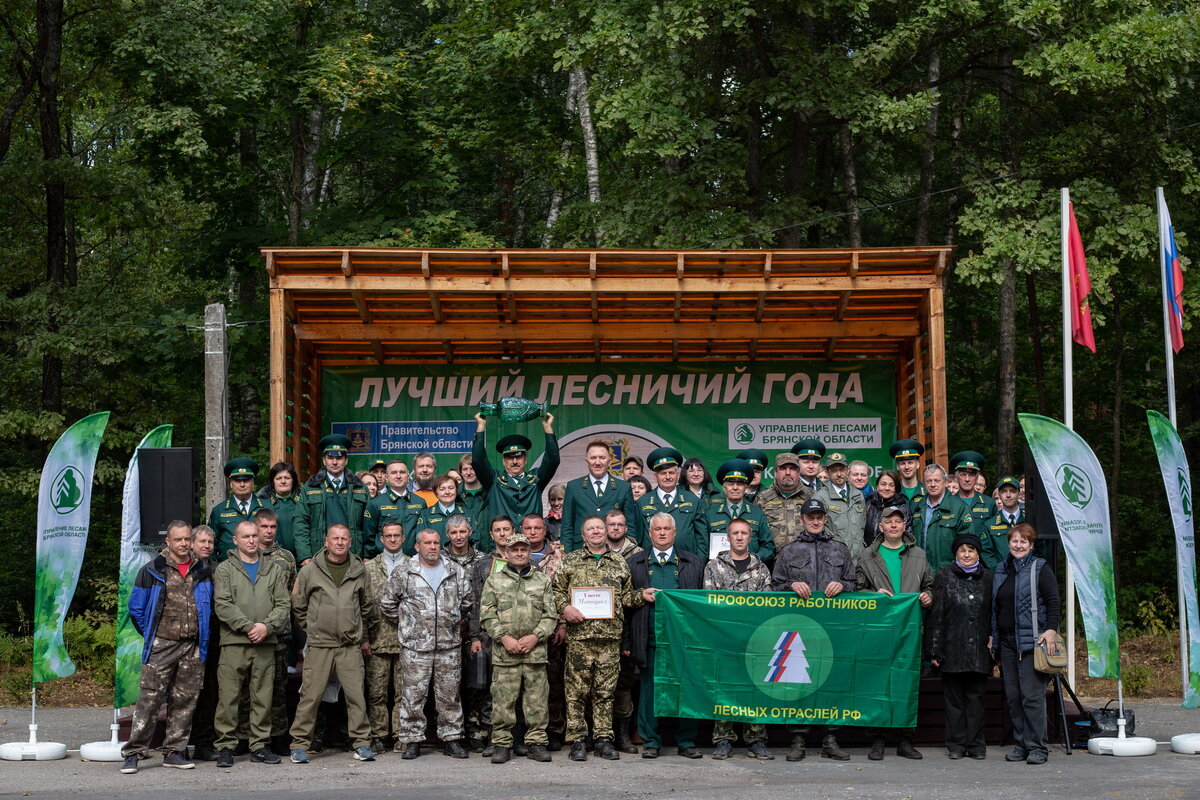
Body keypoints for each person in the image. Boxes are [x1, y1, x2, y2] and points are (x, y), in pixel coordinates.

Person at [552, 515, 653, 761]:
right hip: (579, 639)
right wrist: (565, 608)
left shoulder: (619, 562)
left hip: (609, 640)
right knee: (576, 692)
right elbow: (555, 591)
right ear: (583, 534)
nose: (596, 531)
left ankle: (603, 739)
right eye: (591, 528)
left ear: (606, 532)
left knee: (605, 692)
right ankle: (577, 739)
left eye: (599, 527)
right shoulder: (571, 561)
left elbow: (626, 598)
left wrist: (643, 596)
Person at [121, 521, 213, 773]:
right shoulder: (152, 570)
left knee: (184, 701)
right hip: (162, 645)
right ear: (168, 542)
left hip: (192, 646)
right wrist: (155, 634)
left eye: (186, 539)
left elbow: (207, 607)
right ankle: (134, 753)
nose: (183, 544)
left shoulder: (202, 570)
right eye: (178, 540)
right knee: (149, 701)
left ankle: (174, 751)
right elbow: (136, 609)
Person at [771, 499, 855, 762]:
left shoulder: (840, 550)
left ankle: (831, 738)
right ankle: (798, 737)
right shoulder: (788, 551)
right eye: (810, 517)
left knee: (832, 681)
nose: (815, 521)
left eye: (819, 516)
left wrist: (843, 585)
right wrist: (792, 584)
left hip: (833, 627)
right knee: (798, 683)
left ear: (825, 518)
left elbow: (854, 582)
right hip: (799, 627)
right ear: (802, 519)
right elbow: (775, 586)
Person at [379, 528, 474, 759]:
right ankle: (412, 740)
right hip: (415, 648)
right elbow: (387, 603)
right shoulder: (405, 572)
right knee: (413, 695)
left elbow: (468, 602)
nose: (432, 547)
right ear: (417, 546)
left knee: (449, 696)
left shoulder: (455, 571)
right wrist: (410, 624)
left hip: (448, 646)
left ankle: (451, 738)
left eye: (436, 543)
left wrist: (450, 623)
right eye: (427, 543)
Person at [287, 523, 376, 764]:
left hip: (349, 645)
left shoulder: (359, 569)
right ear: (326, 541)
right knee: (310, 696)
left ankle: (362, 743)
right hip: (320, 645)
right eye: (335, 538)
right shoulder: (309, 571)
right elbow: (298, 604)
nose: (339, 542)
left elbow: (366, 605)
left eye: (344, 539)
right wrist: (314, 628)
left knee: (356, 696)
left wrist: (354, 625)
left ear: (349, 542)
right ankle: (299, 744)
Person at [854, 506, 933, 760]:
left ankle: (905, 739)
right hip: (880, 631)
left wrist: (927, 596)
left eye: (898, 521)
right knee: (878, 683)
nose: (894, 526)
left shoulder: (918, 555)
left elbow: (929, 585)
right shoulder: (867, 556)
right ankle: (877, 739)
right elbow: (857, 589)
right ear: (880, 526)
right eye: (889, 521)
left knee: (906, 684)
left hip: (909, 630)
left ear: (904, 526)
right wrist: (873, 596)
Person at [624, 513, 704, 759]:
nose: (661, 533)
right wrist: (627, 640)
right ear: (649, 533)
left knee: (684, 689)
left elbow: (702, 605)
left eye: (666, 529)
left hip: (684, 639)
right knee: (650, 690)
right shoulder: (634, 563)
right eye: (657, 529)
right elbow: (624, 605)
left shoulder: (693, 563)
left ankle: (686, 740)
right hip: (649, 637)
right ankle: (651, 741)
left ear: (675, 532)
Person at [212, 521, 291, 767]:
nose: (252, 540)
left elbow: (283, 604)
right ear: (235, 540)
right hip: (235, 642)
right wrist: (248, 627)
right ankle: (226, 745)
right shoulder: (224, 569)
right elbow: (223, 605)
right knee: (229, 697)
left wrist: (266, 627)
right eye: (246, 536)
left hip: (266, 642)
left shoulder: (273, 569)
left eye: (255, 535)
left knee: (263, 696)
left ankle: (259, 745)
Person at [479, 531, 558, 764]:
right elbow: (487, 615)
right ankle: (502, 745)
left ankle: (536, 744)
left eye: (524, 549)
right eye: (515, 550)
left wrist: (536, 636)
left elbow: (550, 615)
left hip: (535, 653)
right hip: (505, 653)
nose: (520, 553)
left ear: (529, 552)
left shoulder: (542, 580)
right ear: (507, 553)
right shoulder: (494, 580)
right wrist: (504, 638)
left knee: (537, 701)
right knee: (503, 701)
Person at [703, 518, 773, 760]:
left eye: (744, 533)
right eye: (735, 533)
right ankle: (723, 738)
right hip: (725, 640)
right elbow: (710, 606)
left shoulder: (761, 568)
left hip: (754, 641)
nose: (740, 537)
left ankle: (756, 739)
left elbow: (767, 608)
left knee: (754, 689)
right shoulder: (714, 567)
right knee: (725, 689)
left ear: (750, 537)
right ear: (728, 537)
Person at [991, 523, 1060, 766]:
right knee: (1013, 696)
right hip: (1007, 643)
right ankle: (1020, 745)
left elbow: (1053, 601)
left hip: (1032, 642)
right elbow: (995, 608)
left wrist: (1050, 630)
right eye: (1014, 541)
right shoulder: (1001, 569)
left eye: (1024, 542)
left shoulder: (1039, 568)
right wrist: (994, 638)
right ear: (1008, 543)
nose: (1018, 545)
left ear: (1031, 545)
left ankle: (1037, 747)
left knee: (1032, 698)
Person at [928, 532, 993, 760]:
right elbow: (937, 616)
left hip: (980, 651)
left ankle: (976, 744)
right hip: (952, 648)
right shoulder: (944, 576)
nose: (966, 554)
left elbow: (994, 614)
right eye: (962, 550)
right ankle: (955, 745)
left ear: (978, 553)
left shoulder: (989, 578)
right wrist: (935, 649)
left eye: (971, 550)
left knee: (976, 700)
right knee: (954, 701)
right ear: (956, 553)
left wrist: (994, 643)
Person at [464, 515, 516, 753]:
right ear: (491, 535)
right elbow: (475, 603)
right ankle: (489, 734)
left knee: (514, 688)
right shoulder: (483, 565)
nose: (503, 534)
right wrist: (475, 637)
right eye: (498, 530)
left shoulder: (524, 561)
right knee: (488, 689)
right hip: (488, 636)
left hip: (518, 635)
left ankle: (511, 735)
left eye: (507, 529)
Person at [472, 412, 559, 534]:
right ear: (503, 461)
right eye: (509, 458)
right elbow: (477, 460)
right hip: (503, 544)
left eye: (518, 457)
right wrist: (481, 426)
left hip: (531, 543)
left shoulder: (536, 480)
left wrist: (548, 429)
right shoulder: (494, 480)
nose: (514, 462)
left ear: (526, 459)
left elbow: (553, 460)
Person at [254, 509, 298, 756]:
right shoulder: (247, 555)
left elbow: (291, 594)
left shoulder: (286, 558)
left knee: (278, 689)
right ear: (255, 528)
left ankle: (278, 735)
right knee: (251, 688)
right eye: (264, 527)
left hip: (279, 634)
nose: (269, 531)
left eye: (272, 527)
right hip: (251, 632)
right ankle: (249, 736)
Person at [364, 521, 407, 753]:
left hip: (407, 642)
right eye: (388, 536)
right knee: (376, 693)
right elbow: (362, 605)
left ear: (403, 538)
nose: (392, 539)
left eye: (396, 535)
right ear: (381, 539)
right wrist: (363, 638)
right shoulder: (369, 568)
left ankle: (401, 735)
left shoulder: (413, 565)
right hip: (377, 639)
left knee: (404, 692)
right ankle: (378, 735)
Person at [294, 435, 371, 563]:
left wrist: (367, 555)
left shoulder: (360, 487)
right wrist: (305, 555)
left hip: (354, 556)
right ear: (324, 460)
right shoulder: (311, 486)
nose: (335, 462)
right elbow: (301, 522)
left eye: (339, 458)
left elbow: (370, 525)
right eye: (330, 458)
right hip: (318, 556)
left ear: (346, 460)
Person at [560, 438, 639, 553]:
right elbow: (567, 526)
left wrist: (630, 553)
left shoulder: (623, 487)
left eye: (602, 458)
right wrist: (566, 553)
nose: (597, 462)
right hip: (580, 552)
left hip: (615, 553)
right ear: (586, 461)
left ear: (609, 461)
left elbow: (630, 525)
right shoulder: (573, 487)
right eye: (593, 458)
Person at [187, 525, 221, 761]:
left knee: (210, 692)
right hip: (188, 639)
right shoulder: (182, 567)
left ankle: (204, 743)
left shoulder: (219, 568)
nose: (206, 546)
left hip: (214, 637)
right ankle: (179, 743)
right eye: (202, 541)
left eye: (210, 541)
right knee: (185, 694)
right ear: (191, 543)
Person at [635, 447, 708, 554]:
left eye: (671, 473)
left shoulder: (692, 500)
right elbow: (638, 538)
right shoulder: (643, 502)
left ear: (678, 475)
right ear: (655, 477)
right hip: (651, 564)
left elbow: (702, 537)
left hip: (687, 564)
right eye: (663, 473)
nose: (668, 477)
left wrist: (699, 563)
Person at [704, 458, 773, 562]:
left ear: (746, 487)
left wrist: (754, 560)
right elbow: (703, 548)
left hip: (751, 572)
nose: (735, 488)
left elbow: (769, 546)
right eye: (731, 484)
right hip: (719, 573)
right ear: (724, 487)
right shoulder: (710, 515)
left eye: (740, 484)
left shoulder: (757, 514)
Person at [911, 464, 975, 573]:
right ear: (923, 483)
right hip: (919, 572)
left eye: (937, 480)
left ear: (945, 482)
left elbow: (967, 543)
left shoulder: (959, 507)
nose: (932, 485)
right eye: (928, 481)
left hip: (949, 572)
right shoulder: (917, 507)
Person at [362, 459, 426, 559]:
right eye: (394, 473)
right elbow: (368, 537)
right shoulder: (375, 503)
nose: (398, 476)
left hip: (415, 560)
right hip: (383, 561)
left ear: (408, 476)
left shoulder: (420, 502)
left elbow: (423, 533)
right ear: (386, 478)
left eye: (402, 472)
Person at [209, 457, 265, 562]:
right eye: (237, 481)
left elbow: (275, 541)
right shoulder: (219, 510)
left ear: (253, 482)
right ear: (230, 483)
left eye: (246, 480)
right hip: (228, 570)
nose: (242, 484)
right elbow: (211, 544)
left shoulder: (266, 508)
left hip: (261, 569)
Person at [813, 452, 867, 560]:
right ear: (827, 473)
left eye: (841, 470)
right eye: (834, 471)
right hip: (834, 559)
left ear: (847, 471)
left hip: (859, 559)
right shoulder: (820, 498)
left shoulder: (858, 495)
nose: (838, 474)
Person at [755, 452, 810, 550]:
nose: (788, 472)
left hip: (805, 559)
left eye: (792, 469)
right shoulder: (762, 498)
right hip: (772, 561)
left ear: (798, 472)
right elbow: (755, 534)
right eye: (783, 468)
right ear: (775, 472)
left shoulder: (811, 497)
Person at [258, 462, 302, 559]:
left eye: (287, 478)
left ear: (293, 480)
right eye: (278, 478)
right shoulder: (263, 504)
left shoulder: (303, 502)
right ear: (273, 482)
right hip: (272, 559)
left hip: (301, 559)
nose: (283, 481)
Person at [414, 473, 468, 549]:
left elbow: (475, 539)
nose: (447, 492)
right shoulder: (426, 514)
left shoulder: (467, 512)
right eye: (442, 489)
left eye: (451, 488)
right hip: (435, 559)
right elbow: (422, 542)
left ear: (456, 490)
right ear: (436, 493)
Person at [983, 475, 1026, 566]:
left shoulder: (1028, 520)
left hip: (1027, 575)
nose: (1008, 495)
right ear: (999, 494)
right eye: (1004, 491)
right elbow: (986, 553)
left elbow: (1039, 549)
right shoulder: (989, 525)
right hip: (1001, 576)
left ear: (1019, 493)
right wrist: (998, 571)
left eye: (1012, 491)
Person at [863, 469, 912, 548]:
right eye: (883, 484)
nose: (887, 488)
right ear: (877, 486)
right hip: (868, 554)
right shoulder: (868, 505)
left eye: (891, 485)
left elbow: (908, 538)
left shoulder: (903, 509)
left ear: (896, 488)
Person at [457, 454, 490, 546]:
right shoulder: (454, 495)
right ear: (460, 472)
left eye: (472, 469)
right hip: (463, 550)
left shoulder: (491, 492)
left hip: (488, 549)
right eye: (465, 469)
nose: (468, 473)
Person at [890, 439, 926, 504]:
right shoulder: (892, 491)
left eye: (910, 463)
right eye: (903, 463)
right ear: (898, 466)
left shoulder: (927, 491)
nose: (906, 467)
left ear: (917, 464)